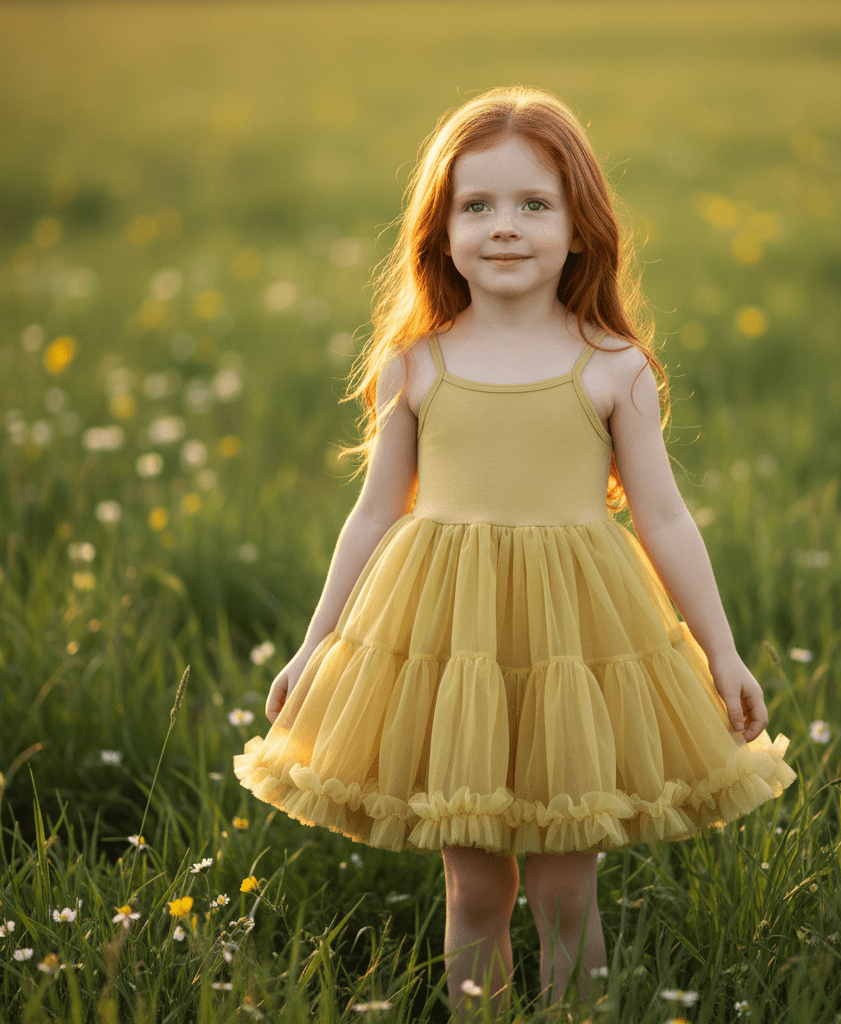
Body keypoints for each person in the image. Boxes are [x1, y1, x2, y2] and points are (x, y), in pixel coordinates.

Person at [235, 85, 796, 1021]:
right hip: (447, 642)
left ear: (580, 228)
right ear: (440, 229)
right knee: (478, 891)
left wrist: (722, 650)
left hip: (574, 642)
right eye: (478, 205)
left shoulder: (610, 366)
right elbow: (374, 516)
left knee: (567, 892)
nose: (505, 227)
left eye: (535, 205)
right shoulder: (415, 364)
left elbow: (662, 518)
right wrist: (315, 643)